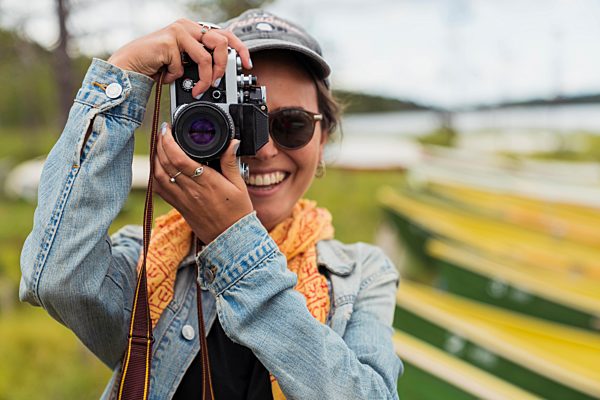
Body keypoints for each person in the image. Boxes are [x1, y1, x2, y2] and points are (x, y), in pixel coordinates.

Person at [20, 8, 402, 400]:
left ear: (322, 142)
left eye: (292, 124)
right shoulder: (146, 259)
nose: (264, 150)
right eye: (241, 120)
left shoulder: (361, 275)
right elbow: (57, 278)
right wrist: (121, 76)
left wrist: (233, 242)